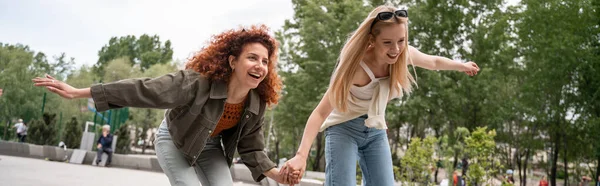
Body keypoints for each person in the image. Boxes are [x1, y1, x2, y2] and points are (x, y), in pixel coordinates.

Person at [33, 25, 299, 186]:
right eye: (252, 58)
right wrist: (80, 92)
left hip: (209, 147)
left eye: (265, 61)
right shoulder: (197, 83)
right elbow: (144, 90)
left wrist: (276, 174)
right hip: (174, 140)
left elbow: (252, 147)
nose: (260, 66)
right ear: (232, 61)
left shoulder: (255, 101)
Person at [281, 4, 480, 186]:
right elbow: (320, 113)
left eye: (401, 41)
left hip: (375, 130)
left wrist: (461, 66)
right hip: (343, 130)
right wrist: (301, 155)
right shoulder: (354, 67)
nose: (395, 49)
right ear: (371, 40)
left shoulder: (402, 55)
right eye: (387, 42)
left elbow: (433, 62)